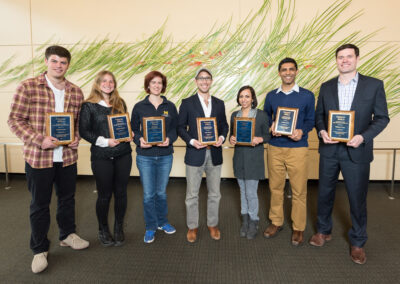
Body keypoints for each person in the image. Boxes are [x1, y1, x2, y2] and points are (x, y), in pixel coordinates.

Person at [8, 45, 89, 274]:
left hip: (67, 157)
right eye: (54, 61)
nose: (58, 66)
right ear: (46, 62)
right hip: (39, 157)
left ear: (68, 65)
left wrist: (77, 137)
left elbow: (79, 123)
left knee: (67, 199)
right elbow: (15, 120)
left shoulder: (75, 91)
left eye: (63, 62)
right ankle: (39, 249)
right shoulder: (28, 87)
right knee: (39, 204)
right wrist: (38, 139)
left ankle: (67, 235)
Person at [310, 44, 389, 264]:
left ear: (357, 59)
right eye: (340, 57)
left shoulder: (373, 85)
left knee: (357, 198)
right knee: (324, 193)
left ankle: (358, 241)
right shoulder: (326, 87)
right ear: (336, 60)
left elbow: (382, 118)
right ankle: (323, 231)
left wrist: (363, 136)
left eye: (348, 57)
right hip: (329, 150)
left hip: (357, 150)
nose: (344, 60)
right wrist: (323, 131)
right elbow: (319, 117)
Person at [263, 57, 315, 246]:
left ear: (296, 71)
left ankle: (298, 227)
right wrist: (271, 126)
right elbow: (266, 118)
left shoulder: (307, 95)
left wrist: (302, 130)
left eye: (291, 69)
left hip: (298, 148)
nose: (287, 72)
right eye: (284, 69)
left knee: (299, 190)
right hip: (275, 147)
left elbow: (311, 120)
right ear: (279, 72)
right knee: (275, 187)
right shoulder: (271, 96)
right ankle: (276, 221)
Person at [79, 71, 133, 247]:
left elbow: (125, 124)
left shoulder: (120, 103)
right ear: (97, 83)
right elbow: (84, 131)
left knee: (121, 193)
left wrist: (130, 133)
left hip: (123, 154)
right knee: (104, 195)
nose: (108, 84)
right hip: (102, 156)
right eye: (104, 81)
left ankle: (118, 227)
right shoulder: (88, 106)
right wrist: (105, 142)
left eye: (111, 81)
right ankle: (103, 229)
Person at [178, 68, 229, 243]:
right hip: (195, 154)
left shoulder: (219, 103)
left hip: (214, 154)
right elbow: (180, 128)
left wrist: (221, 138)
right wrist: (192, 141)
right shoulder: (187, 103)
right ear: (196, 81)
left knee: (215, 193)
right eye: (201, 78)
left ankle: (212, 224)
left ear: (211, 81)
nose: (204, 81)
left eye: (207, 78)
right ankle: (192, 226)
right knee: (192, 194)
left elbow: (224, 125)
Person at [131, 71, 178, 244]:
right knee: (149, 195)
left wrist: (169, 139)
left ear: (163, 86)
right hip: (145, 156)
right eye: (153, 82)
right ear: (148, 85)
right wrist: (139, 140)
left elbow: (175, 129)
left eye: (160, 83)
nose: (157, 85)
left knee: (161, 193)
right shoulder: (139, 107)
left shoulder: (170, 106)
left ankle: (163, 222)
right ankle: (150, 226)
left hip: (165, 156)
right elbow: (133, 129)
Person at [229, 86, 270, 239]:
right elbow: (231, 136)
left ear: (253, 98)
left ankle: (254, 221)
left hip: (254, 159)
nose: (244, 99)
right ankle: (245, 220)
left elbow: (268, 136)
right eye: (241, 96)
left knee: (251, 193)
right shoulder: (235, 115)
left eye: (247, 96)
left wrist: (260, 139)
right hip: (239, 158)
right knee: (242, 191)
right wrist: (231, 139)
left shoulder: (261, 115)